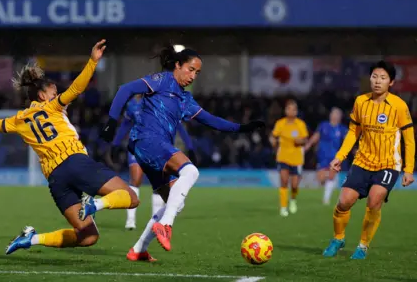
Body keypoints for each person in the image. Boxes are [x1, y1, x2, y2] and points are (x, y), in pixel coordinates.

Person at [0, 40, 140, 255]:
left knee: (87, 236)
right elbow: (77, 88)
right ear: (42, 96)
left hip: (56, 179)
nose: (57, 96)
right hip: (74, 161)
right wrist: (92, 62)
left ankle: (31, 239)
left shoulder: (19, 119)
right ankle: (94, 205)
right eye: (54, 92)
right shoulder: (53, 106)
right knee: (132, 198)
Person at [98, 46, 264, 260]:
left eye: (197, 73)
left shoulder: (185, 99)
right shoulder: (162, 80)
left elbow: (212, 120)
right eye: (190, 69)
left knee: (176, 202)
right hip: (148, 141)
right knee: (191, 172)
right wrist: (112, 121)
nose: (193, 76)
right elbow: (125, 89)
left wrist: (242, 128)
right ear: (178, 65)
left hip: (150, 149)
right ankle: (165, 226)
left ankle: (138, 249)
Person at [323, 61, 415, 260]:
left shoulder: (399, 106)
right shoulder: (360, 102)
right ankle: (338, 238)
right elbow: (353, 133)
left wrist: (409, 169)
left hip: (389, 164)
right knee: (344, 201)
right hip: (363, 161)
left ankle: (363, 245)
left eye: (383, 78)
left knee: (374, 201)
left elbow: (409, 139)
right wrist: (340, 157)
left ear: (391, 82)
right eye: (374, 76)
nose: (377, 81)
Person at [111, 94, 195, 230]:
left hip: (159, 148)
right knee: (136, 179)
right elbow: (125, 126)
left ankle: (154, 221)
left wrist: (190, 147)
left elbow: (179, 127)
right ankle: (130, 220)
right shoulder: (132, 105)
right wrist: (115, 144)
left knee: (159, 185)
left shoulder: (164, 104)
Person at [269, 99, 308, 217]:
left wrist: (300, 141)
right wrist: (272, 141)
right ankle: (283, 207)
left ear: (296, 111)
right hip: (283, 157)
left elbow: (305, 140)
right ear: (285, 110)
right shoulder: (280, 123)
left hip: (297, 159)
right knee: (284, 181)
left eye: (293, 109)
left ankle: (293, 199)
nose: (291, 111)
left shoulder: (300, 124)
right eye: (289, 109)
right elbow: (273, 136)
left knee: (295, 185)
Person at [304, 107, 348, 205]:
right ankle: (329, 181)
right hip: (322, 156)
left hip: (336, 157)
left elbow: (348, 141)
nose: (335, 116)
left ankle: (326, 199)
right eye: (334, 114)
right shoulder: (323, 125)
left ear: (340, 117)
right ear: (330, 115)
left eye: (338, 115)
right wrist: (308, 145)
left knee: (331, 176)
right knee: (321, 179)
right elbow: (316, 137)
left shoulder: (342, 129)